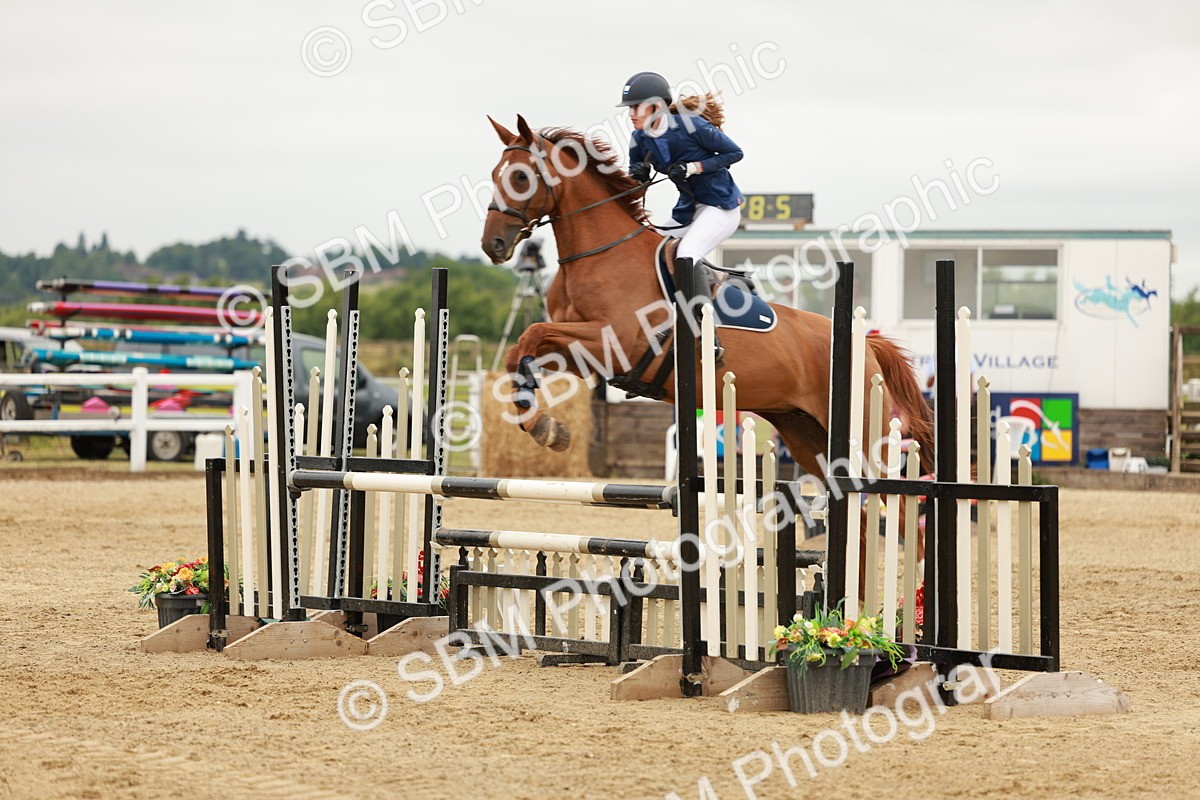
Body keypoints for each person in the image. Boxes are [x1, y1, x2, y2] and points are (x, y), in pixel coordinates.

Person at [618, 71, 745, 272]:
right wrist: (637, 178)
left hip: (720, 207)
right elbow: (635, 192)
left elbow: (735, 153)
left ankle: (706, 294)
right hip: (687, 210)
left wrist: (694, 168)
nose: (630, 114)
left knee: (686, 253)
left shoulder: (691, 125)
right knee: (649, 249)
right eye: (629, 108)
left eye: (636, 107)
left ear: (657, 106)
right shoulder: (638, 138)